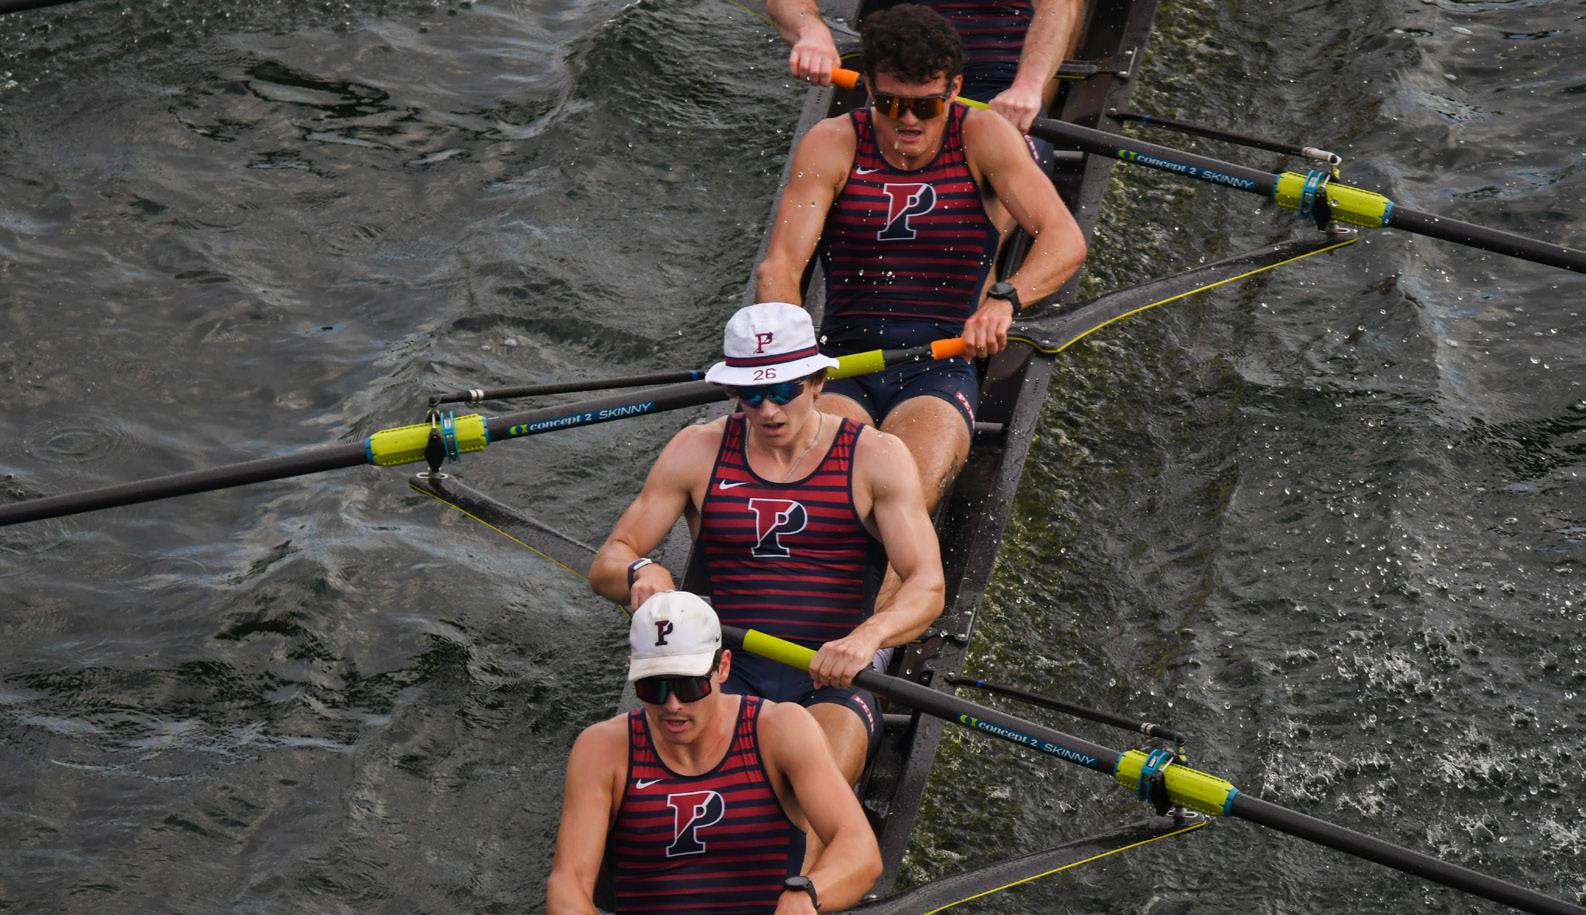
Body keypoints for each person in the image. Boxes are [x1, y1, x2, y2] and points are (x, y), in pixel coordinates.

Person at [588, 301, 945, 787]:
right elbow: (608, 562)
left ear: (818, 382)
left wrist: (867, 638)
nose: (768, 410)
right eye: (751, 395)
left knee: (804, 792)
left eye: (782, 391)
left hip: (830, 679)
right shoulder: (696, 450)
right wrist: (639, 570)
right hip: (721, 672)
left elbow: (927, 586)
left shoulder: (876, 456)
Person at [755, 4, 1087, 517]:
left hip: (941, 366)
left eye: (925, 106)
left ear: (954, 89)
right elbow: (780, 267)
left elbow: (1065, 240)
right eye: (891, 104)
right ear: (868, 87)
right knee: (824, 496)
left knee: (901, 499)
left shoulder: (983, 135)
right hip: (842, 362)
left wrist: (1006, 300)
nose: (908, 120)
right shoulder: (831, 143)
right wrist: (785, 357)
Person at [546, 592, 881, 914]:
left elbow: (860, 850)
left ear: (723, 667)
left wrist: (807, 894)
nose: (672, 705)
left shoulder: (780, 730)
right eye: (653, 687)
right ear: (633, 671)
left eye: (688, 685)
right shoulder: (603, 748)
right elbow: (568, 883)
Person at [768, 0, 1086, 132]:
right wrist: (811, 32)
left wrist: (1028, 86)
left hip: (998, 87)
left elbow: (1058, 7)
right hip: (904, 80)